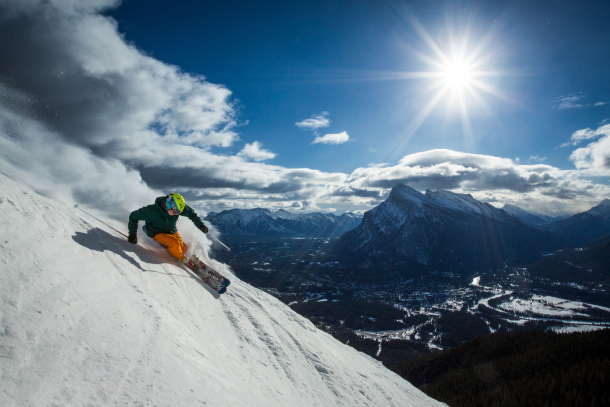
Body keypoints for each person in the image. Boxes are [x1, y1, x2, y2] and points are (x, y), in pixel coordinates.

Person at [127, 193, 209, 267]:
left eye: (179, 212)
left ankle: (187, 254)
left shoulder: (177, 208)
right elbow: (133, 216)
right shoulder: (152, 211)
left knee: (184, 248)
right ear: (169, 204)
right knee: (175, 243)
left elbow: (191, 214)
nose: (177, 214)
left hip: (171, 231)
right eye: (175, 211)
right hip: (156, 233)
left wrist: (200, 225)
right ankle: (182, 258)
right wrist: (132, 234)